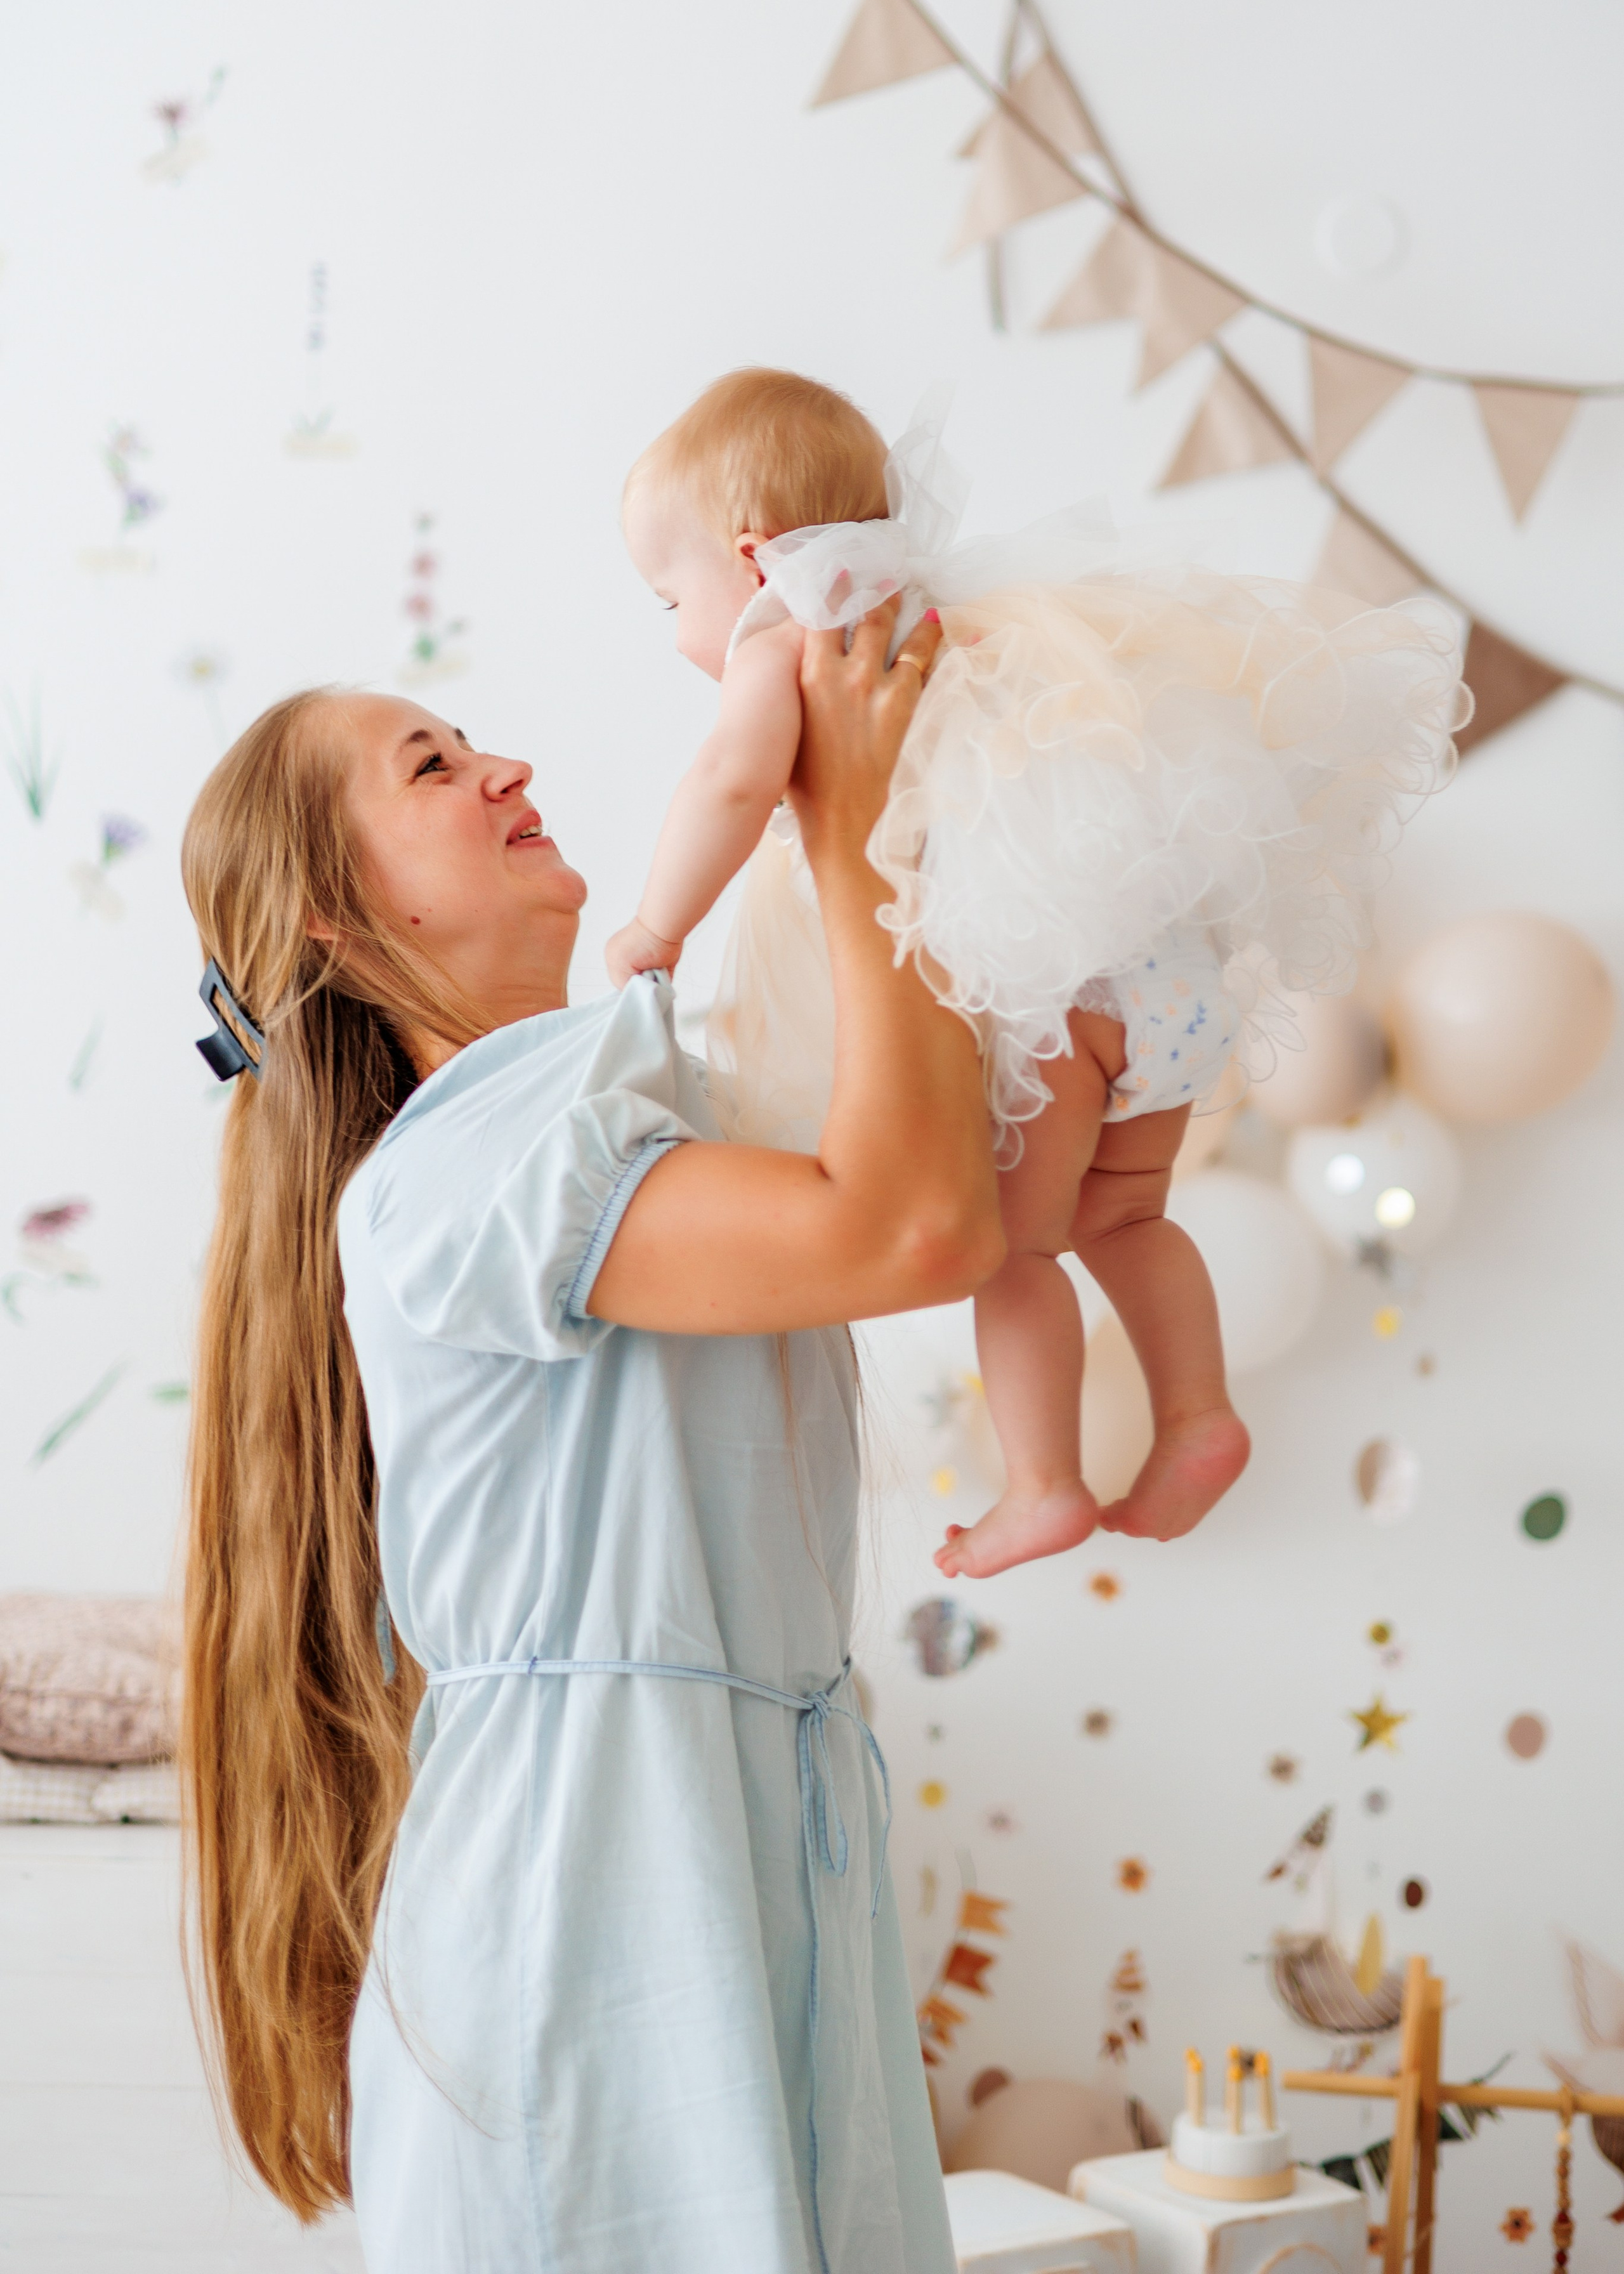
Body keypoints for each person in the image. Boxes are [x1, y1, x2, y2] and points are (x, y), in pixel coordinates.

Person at [179, 598, 997, 2274]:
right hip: (602, 1889)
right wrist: (853, 820)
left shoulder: (610, 1113)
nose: (506, 768)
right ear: (339, 914)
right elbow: (911, 1231)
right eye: (434, 763)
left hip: (701, 1845)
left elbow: (938, 1198)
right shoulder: (477, 1166)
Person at [608, 369, 1470, 1578]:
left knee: (1012, 1249)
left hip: (1059, 991)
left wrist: (657, 926)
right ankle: (1196, 1416)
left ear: (750, 558)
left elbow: (731, 787)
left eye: (669, 597)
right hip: (1171, 965)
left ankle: (1045, 1484)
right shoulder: (947, 603)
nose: (679, 631)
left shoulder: (794, 629)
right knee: (1130, 1212)